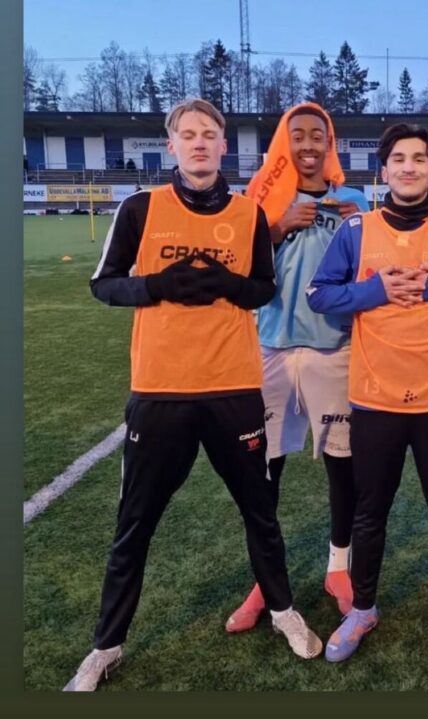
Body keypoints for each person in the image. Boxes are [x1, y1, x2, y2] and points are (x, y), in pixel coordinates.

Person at [65, 99, 322, 692]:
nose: (200, 143)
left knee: (260, 512)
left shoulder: (248, 213)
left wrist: (229, 285)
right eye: (189, 135)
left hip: (234, 387)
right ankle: (106, 646)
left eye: (210, 134)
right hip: (159, 390)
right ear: (172, 145)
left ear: (224, 145)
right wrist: (157, 285)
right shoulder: (140, 208)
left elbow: (261, 288)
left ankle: (283, 612)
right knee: (134, 523)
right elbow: (102, 284)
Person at [307, 123, 428, 663]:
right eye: (399, 158)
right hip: (375, 398)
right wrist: (376, 290)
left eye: (420, 158)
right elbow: (320, 295)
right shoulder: (356, 232)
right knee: (371, 511)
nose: (410, 167)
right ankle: (363, 609)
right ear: (384, 170)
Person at [223, 103, 369, 632]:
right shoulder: (259, 201)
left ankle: (339, 569)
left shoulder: (353, 200)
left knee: (342, 464)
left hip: (335, 349)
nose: (308, 145)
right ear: (284, 144)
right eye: (298, 135)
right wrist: (280, 227)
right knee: (266, 469)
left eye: (318, 136)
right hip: (273, 350)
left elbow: (366, 273)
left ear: (330, 144)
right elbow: (240, 268)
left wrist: (360, 234)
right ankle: (265, 581)